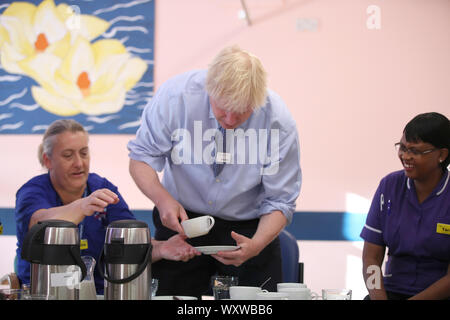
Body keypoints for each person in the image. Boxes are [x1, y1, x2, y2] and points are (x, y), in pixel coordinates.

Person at [127, 45, 302, 296]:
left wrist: (257, 244)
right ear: (209, 88)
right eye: (222, 109)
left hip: (249, 229)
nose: (230, 120)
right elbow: (140, 158)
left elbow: (281, 200)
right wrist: (162, 200)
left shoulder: (278, 121)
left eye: (242, 112)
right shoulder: (176, 98)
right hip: (183, 224)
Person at [15, 119, 199, 294]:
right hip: (44, 291)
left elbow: (129, 242)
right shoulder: (33, 191)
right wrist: (81, 206)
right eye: (68, 155)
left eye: (84, 153)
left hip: (99, 292)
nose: (79, 163)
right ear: (47, 160)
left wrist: (162, 248)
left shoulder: (101, 188)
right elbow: (38, 224)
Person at [361, 112, 450, 300]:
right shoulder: (389, 186)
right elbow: (371, 259)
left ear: (442, 155)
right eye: (402, 148)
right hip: (390, 293)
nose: (405, 156)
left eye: (416, 151)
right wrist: (378, 297)